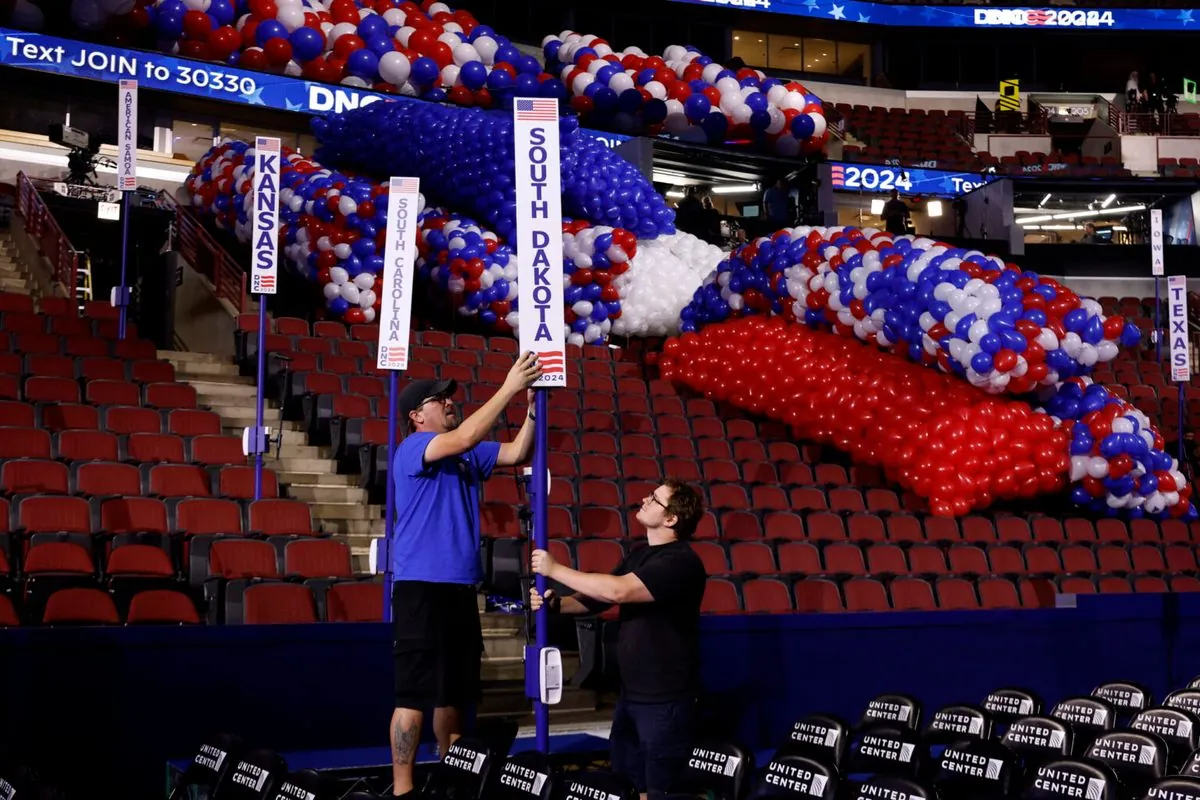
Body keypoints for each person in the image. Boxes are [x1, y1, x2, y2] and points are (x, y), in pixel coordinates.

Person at [388, 351, 543, 798]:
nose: (449, 402)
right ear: (418, 415)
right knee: (413, 695)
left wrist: (531, 409)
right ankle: (404, 790)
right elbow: (467, 435)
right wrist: (510, 387)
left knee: (452, 696)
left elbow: (517, 451)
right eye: (439, 400)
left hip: (458, 589)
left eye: (449, 397)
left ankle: (450, 777)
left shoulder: (463, 454)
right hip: (421, 589)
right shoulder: (416, 447)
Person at [529, 479, 708, 800]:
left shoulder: (681, 562)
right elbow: (596, 600)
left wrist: (555, 568)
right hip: (631, 695)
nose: (644, 499)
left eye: (655, 499)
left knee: (661, 790)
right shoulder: (640, 555)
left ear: (671, 519)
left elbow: (618, 590)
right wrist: (557, 603)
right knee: (627, 783)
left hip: (665, 701)